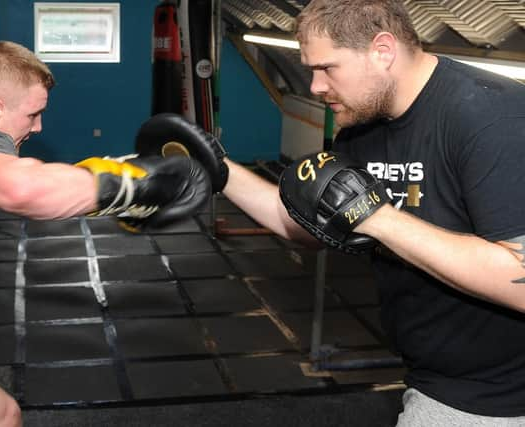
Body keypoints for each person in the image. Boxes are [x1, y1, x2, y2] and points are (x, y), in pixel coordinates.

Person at [215, 0, 525, 425]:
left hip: (497, 396)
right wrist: (218, 169)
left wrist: (377, 217)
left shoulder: (491, 116)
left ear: (382, 51)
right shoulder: (362, 126)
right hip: (432, 372)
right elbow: (312, 224)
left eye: (326, 68)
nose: (315, 86)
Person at [0, 41, 209, 426]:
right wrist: (132, 189)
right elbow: (23, 190)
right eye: (33, 114)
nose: (38, 127)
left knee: (1, 416)